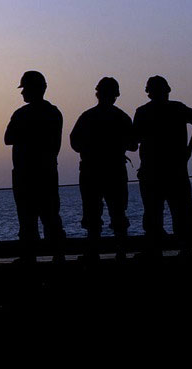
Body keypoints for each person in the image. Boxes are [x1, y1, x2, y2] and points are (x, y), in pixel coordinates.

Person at [132, 76, 192, 258]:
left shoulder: (143, 112)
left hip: (154, 170)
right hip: (173, 169)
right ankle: (184, 248)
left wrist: (189, 148)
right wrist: (189, 148)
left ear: (149, 92)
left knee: (155, 211)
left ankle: (157, 249)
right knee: (180, 210)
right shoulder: (177, 108)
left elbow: (134, 140)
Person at [70, 77, 136, 262]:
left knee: (93, 213)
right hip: (114, 171)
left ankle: (93, 252)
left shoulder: (87, 116)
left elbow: (75, 143)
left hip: (92, 172)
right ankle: (121, 252)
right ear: (115, 95)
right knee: (117, 212)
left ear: (98, 94)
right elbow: (133, 145)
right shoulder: (122, 117)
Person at [4, 70, 66, 264]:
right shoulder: (53, 113)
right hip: (46, 172)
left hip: (26, 175)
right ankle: (57, 255)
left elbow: (8, 138)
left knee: (28, 217)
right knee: (49, 216)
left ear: (34, 89)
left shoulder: (21, 114)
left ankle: (30, 256)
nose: (22, 93)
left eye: (25, 89)